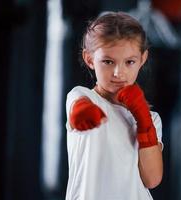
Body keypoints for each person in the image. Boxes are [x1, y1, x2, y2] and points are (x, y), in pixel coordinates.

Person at [65, 11, 163, 200]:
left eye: (129, 62)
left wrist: (143, 118)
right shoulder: (82, 96)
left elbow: (151, 179)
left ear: (142, 59)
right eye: (108, 62)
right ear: (90, 59)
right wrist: (84, 115)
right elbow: (78, 107)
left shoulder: (152, 120)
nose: (119, 72)